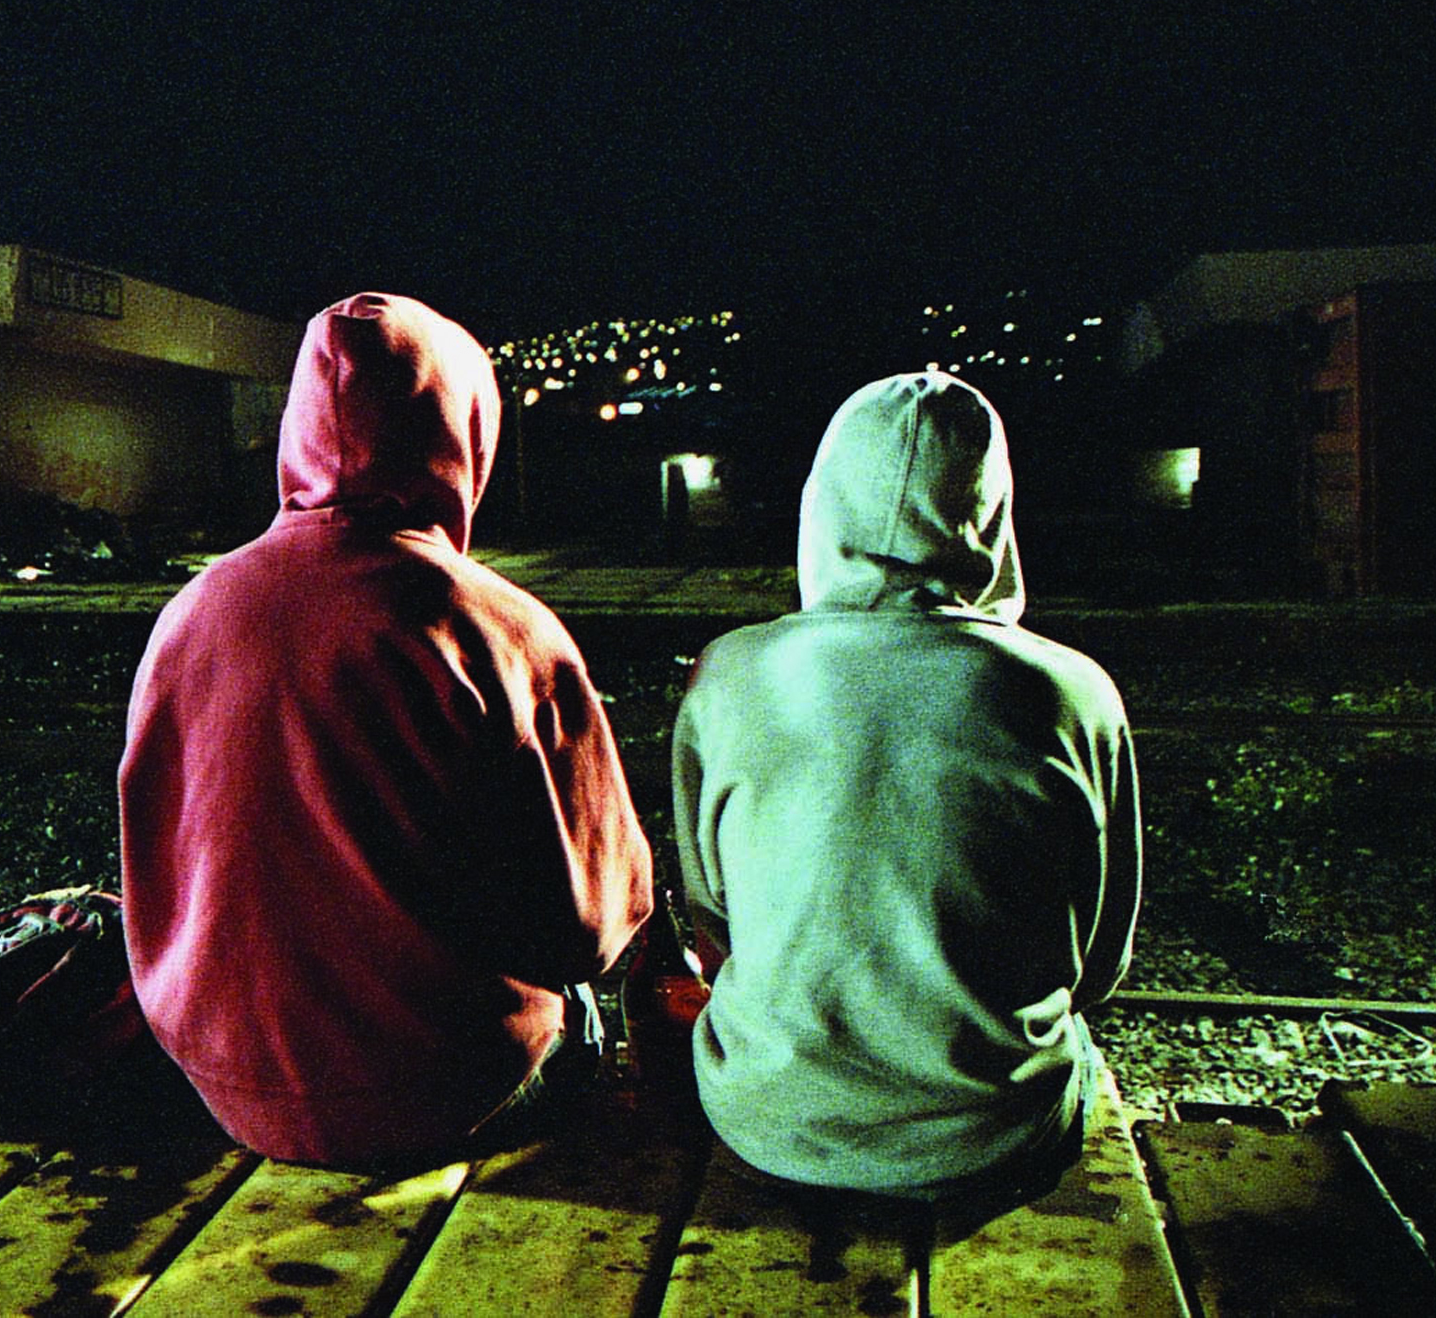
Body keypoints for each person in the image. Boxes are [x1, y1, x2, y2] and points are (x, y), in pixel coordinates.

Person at [119, 292, 653, 1167]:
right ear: (462, 432)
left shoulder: (190, 611)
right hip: (445, 1088)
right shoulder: (496, 627)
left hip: (222, 1080)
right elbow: (590, 926)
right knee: (583, 1006)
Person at [672, 370, 1141, 1203]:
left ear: (823, 503)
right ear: (991, 512)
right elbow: (1099, 965)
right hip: (996, 1136)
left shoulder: (730, 673)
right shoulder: (1071, 692)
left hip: (767, 1121)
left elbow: (715, 920)